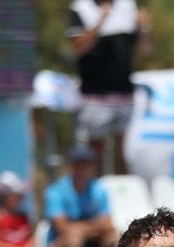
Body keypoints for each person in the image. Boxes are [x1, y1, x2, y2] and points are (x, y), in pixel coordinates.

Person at [68, 0, 152, 175]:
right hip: (95, 96)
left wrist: (143, 27)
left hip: (125, 94)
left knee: (124, 153)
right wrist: (101, 20)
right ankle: (97, 195)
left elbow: (146, 50)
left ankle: (125, 195)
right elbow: (77, 48)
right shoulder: (80, 7)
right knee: (96, 152)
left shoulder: (128, 5)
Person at [44, 147, 119, 247]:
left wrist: (79, 229)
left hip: (91, 241)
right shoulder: (56, 191)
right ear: (70, 167)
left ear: (93, 167)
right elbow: (62, 228)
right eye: (78, 164)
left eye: (87, 164)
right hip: (62, 244)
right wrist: (94, 226)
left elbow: (108, 224)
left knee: (114, 237)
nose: (82, 169)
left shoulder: (99, 190)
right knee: (75, 239)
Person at [0, 171, 57, 247]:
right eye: (14, 195)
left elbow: (32, 242)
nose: (18, 198)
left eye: (19, 195)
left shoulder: (25, 216)